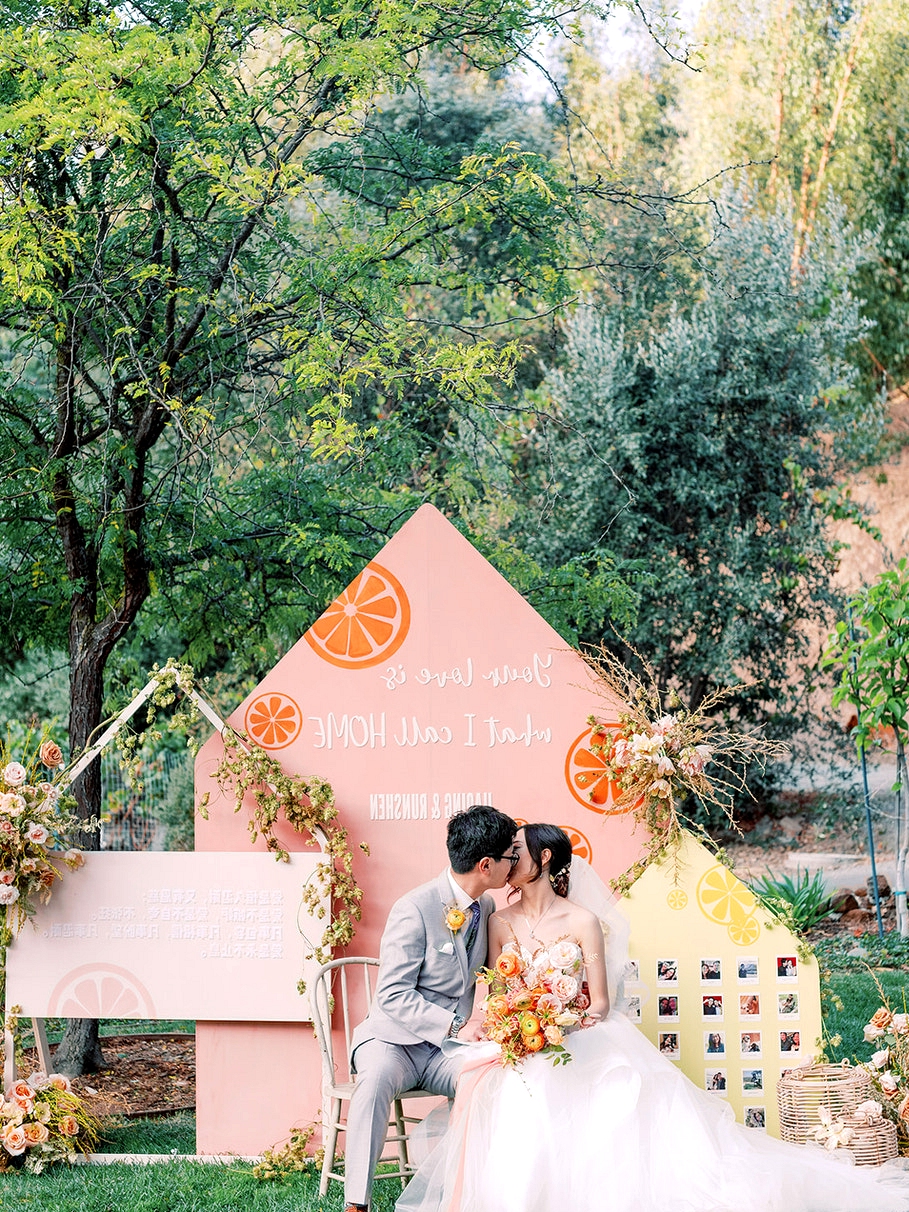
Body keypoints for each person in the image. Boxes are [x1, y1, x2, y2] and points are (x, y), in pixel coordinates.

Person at [397, 823, 909, 1212]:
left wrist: (562, 1017)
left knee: (587, 1088)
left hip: (575, 1033)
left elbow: (598, 1001)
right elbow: (495, 986)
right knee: (507, 1088)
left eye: (518, 852)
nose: (509, 859)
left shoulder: (582, 921)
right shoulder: (498, 919)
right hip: (525, 1036)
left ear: (544, 858)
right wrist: (506, 1019)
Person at [342, 803, 517, 1212]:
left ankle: (468, 1194)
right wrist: (458, 1026)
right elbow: (392, 995)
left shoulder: (487, 908)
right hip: (392, 1042)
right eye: (511, 855)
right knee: (373, 1086)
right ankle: (356, 1204)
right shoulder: (414, 907)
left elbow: (494, 977)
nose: (515, 862)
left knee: (494, 1082)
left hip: (445, 1053)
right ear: (486, 865)